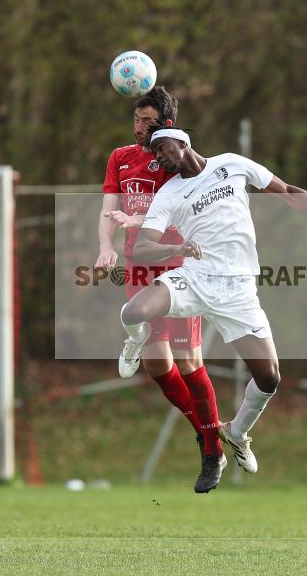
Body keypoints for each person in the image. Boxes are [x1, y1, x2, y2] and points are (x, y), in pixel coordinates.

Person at [117, 126, 307, 493]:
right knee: (133, 311)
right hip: (196, 279)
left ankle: (237, 434)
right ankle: (134, 342)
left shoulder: (232, 164)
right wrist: (178, 251)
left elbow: (288, 192)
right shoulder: (168, 193)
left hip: (239, 291)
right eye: (154, 153)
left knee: (270, 377)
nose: (158, 157)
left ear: (183, 142)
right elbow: (142, 248)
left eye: (162, 148)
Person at [96, 87, 224, 494]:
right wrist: (105, 247)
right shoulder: (121, 158)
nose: (138, 128)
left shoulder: (176, 161)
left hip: (179, 265)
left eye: (147, 122)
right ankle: (210, 435)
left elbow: (196, 204)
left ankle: (211, 447)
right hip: (139, 267)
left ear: (166, 125)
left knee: (187, 360)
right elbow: (108, 209)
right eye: (135, 120)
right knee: (156, 366)